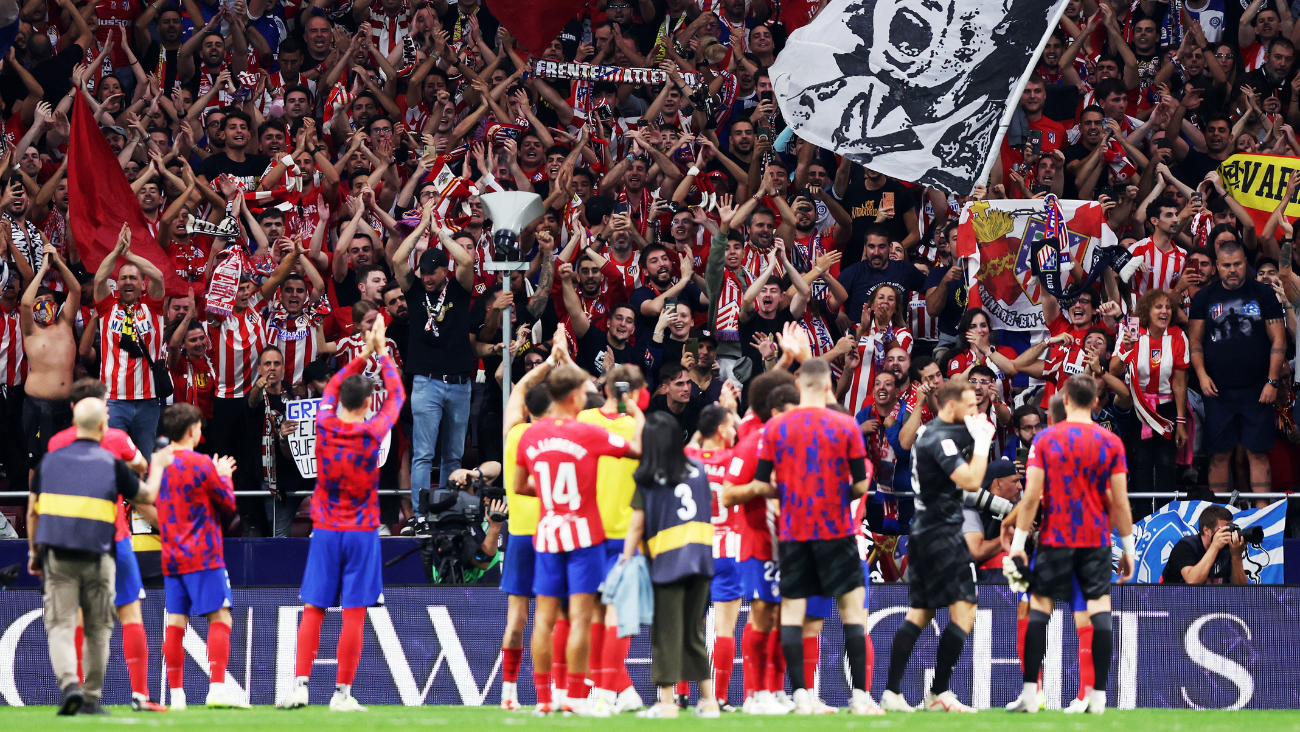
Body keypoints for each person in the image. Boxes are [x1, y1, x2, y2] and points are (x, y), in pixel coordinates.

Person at [280, 316, 405, 711]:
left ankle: (300, 685)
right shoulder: (373, 432)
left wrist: (360, 357)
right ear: (368, 403)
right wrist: (382, 355)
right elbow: (398, 396)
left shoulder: (324, 424)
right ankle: (342, 695)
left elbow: (332, 386)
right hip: (363, 530)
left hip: (326, 530)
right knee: (354, 611)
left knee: (315, 607)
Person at [749, 358, 880, 715]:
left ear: (799, 386)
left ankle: (802, 696)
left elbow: (761, 484)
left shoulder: (775, 428)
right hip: (836, 530)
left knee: (792, 613)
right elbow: (861, 483)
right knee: (852, 612)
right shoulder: (846, 426)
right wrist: (837, 495)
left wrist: (789, 492)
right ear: (827, 386)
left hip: (794, 532)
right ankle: (860, 698)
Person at [514, 360, 644, 715]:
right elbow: (636, 450)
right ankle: (573, 696)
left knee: (545, 618)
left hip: (547, 531)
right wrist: (637, 416)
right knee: (581, 618)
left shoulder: (530, 434)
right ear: (574, 397)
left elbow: (519, 486)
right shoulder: (588, 433)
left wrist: (551, 496)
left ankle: (544, 698)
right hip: (585, 534)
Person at [1007, 375, 1136, 714]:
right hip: (1094, 541)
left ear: (1065, 401)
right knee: (1097, 612)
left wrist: (1019, 543)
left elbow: (1032, 494)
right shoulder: (1110, 442)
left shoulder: (1046, 439)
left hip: (1055, 539)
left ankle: (1030, 695)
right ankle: (1098, 696)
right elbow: (1120, 502)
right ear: (1096, 402)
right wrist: (1128, 548)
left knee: (1039, 609)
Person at [882, 378, 1006, 713]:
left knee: (921, 614)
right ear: (950, 407)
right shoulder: (939, 438)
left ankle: (894, 693)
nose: (973, 412)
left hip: (929, 533)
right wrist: (983, 442)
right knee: (963, 611)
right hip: (941, 536)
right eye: (968, 406)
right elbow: (969, 480)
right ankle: (936, 692)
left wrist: (1002, 507)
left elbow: (963, 490)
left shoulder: (943, 433)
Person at [26, 397, 152, 716]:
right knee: (105, 626)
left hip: (57, 552)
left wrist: (34, 551)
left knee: (62, 625)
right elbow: (145, 492)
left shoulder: (50, 457)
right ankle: (102, 696)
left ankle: (70, 685)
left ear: (72, 417)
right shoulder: (114, 456)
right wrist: (163, 464)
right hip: (104, 550)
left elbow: (32, 511)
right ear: (102, 424)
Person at [623, 411, 721, 719]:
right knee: (693, 634)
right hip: (703, 559)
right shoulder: (699, 469)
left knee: (665, 632)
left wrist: (625, 559)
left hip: (667, 562)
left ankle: (665, 703)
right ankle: (709, 701)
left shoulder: (648, 475)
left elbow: (637, 524)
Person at [391, 202, 477, 536]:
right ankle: (421, 516)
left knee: (453, 455)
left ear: (444, 271)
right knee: (423, 454)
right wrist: (421, 229)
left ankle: (449, 515)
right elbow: (399, 260)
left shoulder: (459, 288)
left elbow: (467, 260)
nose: (426, 277)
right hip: (426, 383)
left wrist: (441, 232)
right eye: (423, 272)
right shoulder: (413, 292)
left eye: (433, 272)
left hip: (459, 383)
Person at [152, 403, 244, 710]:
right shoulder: (202, 464)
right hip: (203, 553)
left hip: (171, 555)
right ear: (192, 430)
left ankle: (176, 696)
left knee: (176, 622)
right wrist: (223, 475)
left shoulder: (157, 464)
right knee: (220, 617)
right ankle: (216, 688)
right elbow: (228, 504)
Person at [1189, 240, 1287, 506]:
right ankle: (1217, 512)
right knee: (1219, 454)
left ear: (1246, 263)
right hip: (1218, 389)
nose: (1233, 270)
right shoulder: (1203, 298)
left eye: (1238, 264)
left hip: (1258, 388)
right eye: (1227, 265)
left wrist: (1271, 381)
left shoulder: (1263, 295)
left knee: (1257, 452)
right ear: (1217, 267)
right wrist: (1201, 376)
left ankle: (1262, 511)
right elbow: (1195, 342)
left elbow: (1279, 340)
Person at [92, 224, 168, 458]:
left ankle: (140, 496)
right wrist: (116, 252)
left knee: (145, 460)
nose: (127, 282)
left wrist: (131, 255)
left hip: (148, 401)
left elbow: (159, 275)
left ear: (142, 285)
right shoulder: (107, 307)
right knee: (113, 460)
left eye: (133, 278)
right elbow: (99, 278)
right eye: (123, 278)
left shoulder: (152, 307)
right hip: (114, 400)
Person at [688, 404, 742, 712]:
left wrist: (703, 428)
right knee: (724, 629)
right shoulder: (734, 459)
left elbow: (690, 446)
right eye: (729, 426)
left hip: (694, 550)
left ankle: (682, 692)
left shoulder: (688, 459)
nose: (734, 430)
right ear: (721, 430)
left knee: (690, 625)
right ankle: (719, 696)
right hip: (727, 550)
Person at [20, 243, 79, 469]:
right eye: (39, 304)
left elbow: (74, 290)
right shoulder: (30, 330)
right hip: (38, 405)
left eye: (48, 303)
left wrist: (59, 263)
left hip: (67, 405)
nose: (43, 307)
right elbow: (26, 302)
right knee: (39, 464)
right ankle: (36, 505)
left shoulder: (65, 322)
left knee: (67, 463)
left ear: (56, 305)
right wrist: (43, 270)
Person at [1160, 504, 1249, 584]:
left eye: (1230, 529)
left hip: (1208, 600)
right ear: (1206, 530)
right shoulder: (1185, 547)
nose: (1228, 534)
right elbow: (1192, 581)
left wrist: (1236, 556)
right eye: (1224, 530)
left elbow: (1240, 591)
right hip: (1173, 599)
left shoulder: (1227, 549)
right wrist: (1214, 547)